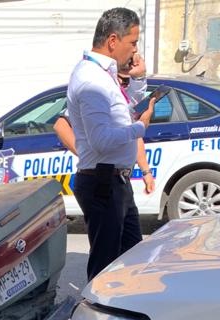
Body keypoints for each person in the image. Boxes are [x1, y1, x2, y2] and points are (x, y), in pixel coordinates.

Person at [66, 7, 155, 281]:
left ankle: (123, 316)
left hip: (117, 180)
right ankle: (93, 318)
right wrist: (141, 127)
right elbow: (102, 140)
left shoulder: (105, 74)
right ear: (113, 41)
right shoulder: (91, 80)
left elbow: (124, 111)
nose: (135, 50)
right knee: (106, 268)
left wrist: (138, 79)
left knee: (131, 259)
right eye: (133, 43)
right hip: (102, 182)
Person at [54, 54, 155, 197]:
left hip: (120, 178)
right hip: (101, 178)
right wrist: (86, 153)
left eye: (129, 81)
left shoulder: (121, 103)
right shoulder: (96, 93)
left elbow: (134, 137)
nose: (125, 85)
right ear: (114, 77)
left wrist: (146, 171)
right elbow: (60, 125)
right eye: (123, 80)